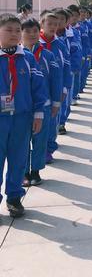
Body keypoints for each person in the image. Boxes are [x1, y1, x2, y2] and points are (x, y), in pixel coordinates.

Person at [0, 14, 46, 217]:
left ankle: (14, 198)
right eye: (8, 30)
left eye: (17, 30)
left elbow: (38, 87)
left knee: (19, 159)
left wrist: (38, 114)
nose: (14, 34)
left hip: (21, 117)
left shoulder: (27, 58)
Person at [21, 18, 62, 186]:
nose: (31, 35)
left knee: (40, 140)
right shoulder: (17, 56)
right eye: (27, 31)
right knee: (22, 141)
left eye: (34, 31)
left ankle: (36, 171)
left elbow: (55, 79)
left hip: (43, 105)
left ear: (40, 33)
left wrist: (56, 102)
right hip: (22, 107)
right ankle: (23, 172)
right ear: (21, 33)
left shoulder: (47, 55)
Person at [39, 11, 71, 164]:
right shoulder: (35, 44)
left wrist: (65, 88)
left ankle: (48, 150)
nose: (53, 27)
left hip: (56, 91)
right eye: (49, 24)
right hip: (39, 91)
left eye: (55, 24)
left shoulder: (60, 45)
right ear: (42, 25)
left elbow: (66, 67)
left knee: (52, 123)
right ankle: (37, 153)